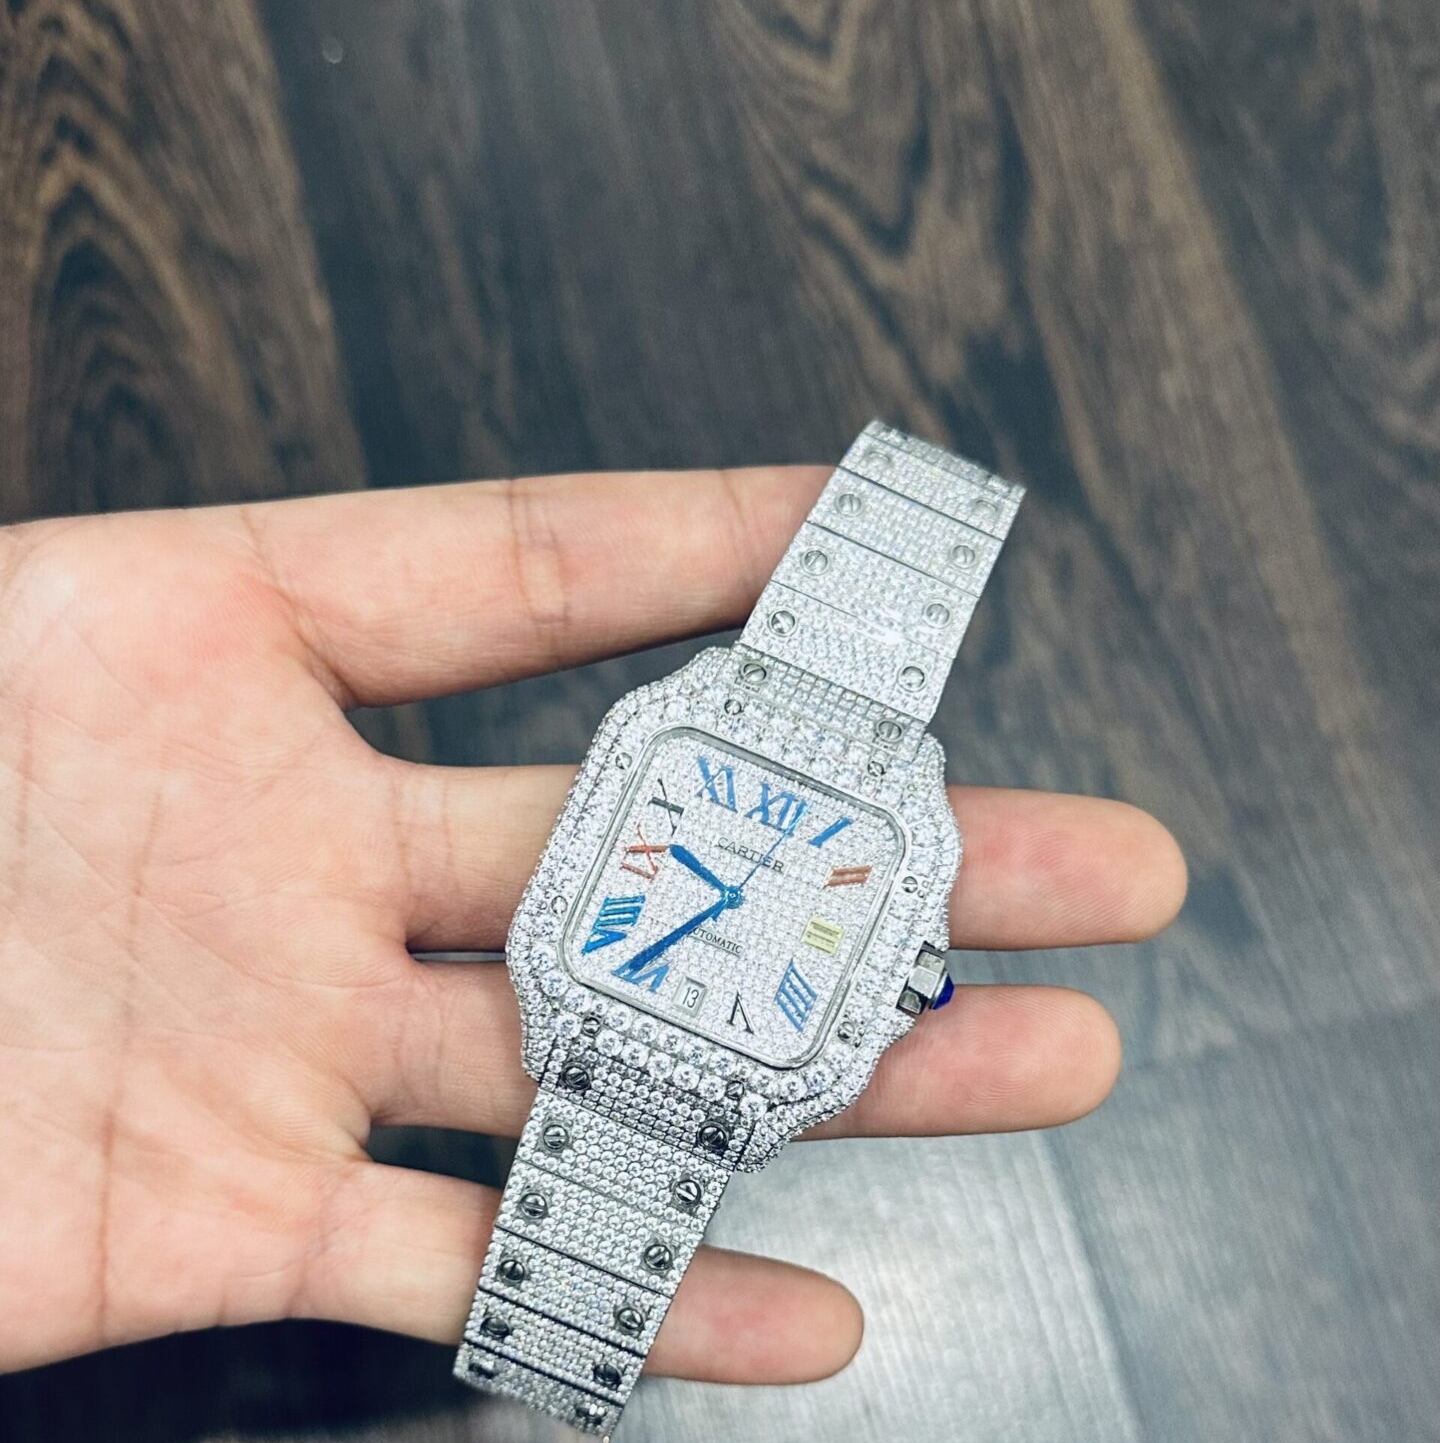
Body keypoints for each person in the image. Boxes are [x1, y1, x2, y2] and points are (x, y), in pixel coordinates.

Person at [0, 465, 1186, 1385]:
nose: (731, 900)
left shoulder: (889, 838)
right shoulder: (686, 743)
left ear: (901, 967)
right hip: (599, 1015)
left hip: (680, 1051)